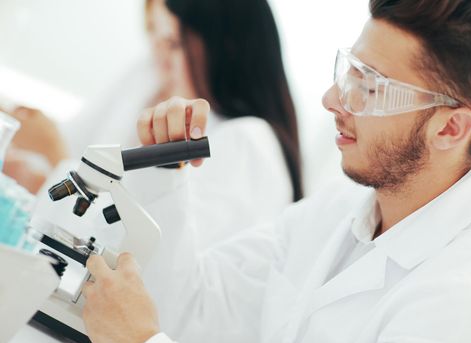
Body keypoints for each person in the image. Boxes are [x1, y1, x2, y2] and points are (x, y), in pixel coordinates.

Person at [82, 0, 471, 343]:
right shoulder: (337, 209)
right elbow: (190, 310)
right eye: (348, 72)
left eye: (370, 87)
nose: (333, 99)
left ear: (450, 128)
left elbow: (148, 333)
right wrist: (165, 170)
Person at [12, 0, 302, 250]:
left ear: (227, 49)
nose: (160, 61)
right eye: (156, 39)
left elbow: (147, 248)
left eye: (174, 44)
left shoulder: (248, 143)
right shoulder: (150, 79)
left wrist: (55, 159)